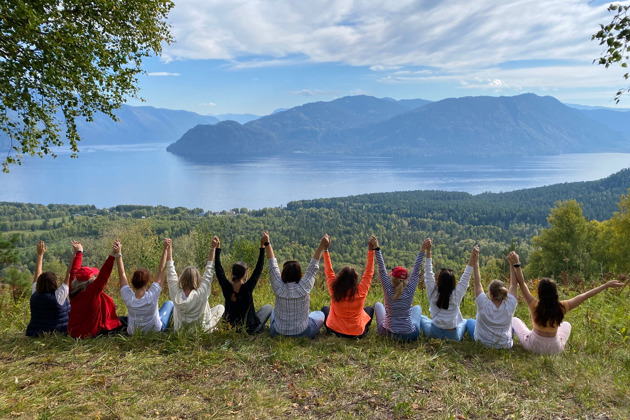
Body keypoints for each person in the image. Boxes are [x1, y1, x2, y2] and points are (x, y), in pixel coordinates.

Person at [511, 262, 625, 355]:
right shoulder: (562, 307)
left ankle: (508, 340)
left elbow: (521, 284)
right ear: (555, 292)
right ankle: (556, 341)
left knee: (515, 320)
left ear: (540, 293)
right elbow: (585, 295)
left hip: (534, 346)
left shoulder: (534, 305)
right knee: (566, 324)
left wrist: (516, 263)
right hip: (555, 349)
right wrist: (606, 285)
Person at [267, 232, 328, 339]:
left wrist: (267, 243)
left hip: (277, 332)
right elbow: (313, 266)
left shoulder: (278, 285)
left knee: (273, 312)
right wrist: (322, 245)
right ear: (299, 274)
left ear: (283, 274)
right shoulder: (304, 286)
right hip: (303, 332)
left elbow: (272, 266)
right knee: (320, 314)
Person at [373, 236, 428, 342]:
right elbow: (416, 271)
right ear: (406, 279)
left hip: (389, 334)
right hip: (410, 335)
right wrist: (422, 250)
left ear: (392, 278)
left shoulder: (388, 289)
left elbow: (382, 270)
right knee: (417, 308)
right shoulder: (410, 290)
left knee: (378, 305)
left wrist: (377, 248)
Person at [215, 233, 272, 334]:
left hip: (230, 328)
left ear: (232, 273)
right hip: (250, 329)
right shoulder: (247, 288)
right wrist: (262, 246)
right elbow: (259, 268)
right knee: (268, 307)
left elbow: (218, 269)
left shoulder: (226, 287)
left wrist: (217, 250)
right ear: (245, 274)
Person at [420, 240, 476, 341]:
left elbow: (428, 272)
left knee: (421, 318)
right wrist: (472, 258)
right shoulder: (457, 294)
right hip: (452, 336)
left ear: (438, 281)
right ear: (453, 282)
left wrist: (428, 251)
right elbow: (466, 277)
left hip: (434, 332)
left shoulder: (432, 292)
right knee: (465, 322)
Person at [321, 235, 375, 339]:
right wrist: (371, 250)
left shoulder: (334, 289)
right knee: (369, 309)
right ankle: (364, 329)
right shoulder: (361, 291)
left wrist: (325, 249)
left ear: (339, 278)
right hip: (357, 333)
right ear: (355, 280)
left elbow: (329, 272)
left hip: (334, 330)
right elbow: (369, 273)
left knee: (324, 309)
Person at [115, 239, 174, 334]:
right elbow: (161, 269)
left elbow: (121, 273)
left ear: (132, 283)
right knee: (169, 303)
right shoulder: (152, 295)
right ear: (147, 283)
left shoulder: (128, 297)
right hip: (155, 330)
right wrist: (165, 250)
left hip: (134, 332)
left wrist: (118, 254)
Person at [166, 237, 224, 332]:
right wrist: (213, 248)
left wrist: (169, 249)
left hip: (181, 331)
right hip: (202, 330)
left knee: (173, 305)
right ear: (198, 279)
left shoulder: (176, 294)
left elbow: (171, 273)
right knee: (220, 307)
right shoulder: (201, 293)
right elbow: (208, 272)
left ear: (182, 278)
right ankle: (211, 327)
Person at [67, 240, 123, 338]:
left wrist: (79, 252)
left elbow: (74, 270)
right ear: (89, 281)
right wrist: (112, 255)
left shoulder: (72, 288)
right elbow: (103, 275)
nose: (94, 277)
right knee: (124, 322)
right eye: (93, 276)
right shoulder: (92, 291)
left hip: (73, 333)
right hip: (90, 333)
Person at [465, 250, 518, 349]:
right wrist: (512, 264)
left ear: (490, 293)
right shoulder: (510, 304)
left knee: (469, 322)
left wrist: (476, 262)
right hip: (504, 345)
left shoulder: (483, 304)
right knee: (513, 323)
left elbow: (477, 282)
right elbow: (514, 284)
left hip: (482, 342)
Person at [25, 240, 71, 337]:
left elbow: (37, 274)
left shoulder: (35, 294)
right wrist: (76, 254)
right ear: (54, 283)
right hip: (58, 333)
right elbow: (70, 274)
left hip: (35, 333)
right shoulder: (59, 296)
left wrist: (40, 255)